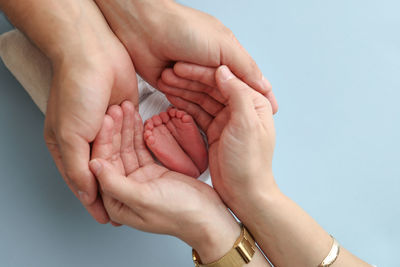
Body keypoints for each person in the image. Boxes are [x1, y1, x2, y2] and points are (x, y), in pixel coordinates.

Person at [0, 0, 277, 224]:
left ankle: (188, 162)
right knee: (126, 121)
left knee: (120, 120)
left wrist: (128, 17)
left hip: (133, 89)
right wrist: (136, 13)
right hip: (143, 85)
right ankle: (190, 163)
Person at [89, 64, 373, 267]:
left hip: (168, 131)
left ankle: (201, 171)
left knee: (114, 84)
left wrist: (220, 218)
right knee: (107, 93)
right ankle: (201, 173)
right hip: (154, 151)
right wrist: (247, 195)